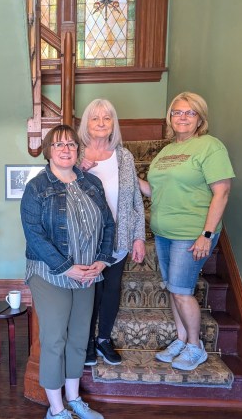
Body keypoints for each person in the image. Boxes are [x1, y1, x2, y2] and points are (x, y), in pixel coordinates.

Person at [21, 125, 115, 419]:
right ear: (48, 150)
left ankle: (74, 399)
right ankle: (57, 409)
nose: (66, 149)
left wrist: (102, 260)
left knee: (78, 337)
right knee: (55, 340)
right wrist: (66, 267)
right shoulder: (36, 188)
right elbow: (34, 235)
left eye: (72, 145)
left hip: (87, 273)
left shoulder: (91, 183)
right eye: (59, 144)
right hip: (50, 274)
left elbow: (109, 225)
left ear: (78, 150)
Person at [138, 91, 235, 371]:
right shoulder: (167, 151)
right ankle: (180, 339)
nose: (182, 117)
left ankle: (195, 346)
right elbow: (154, 190)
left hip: (191, 232)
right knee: (172, 288)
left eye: (189, 113)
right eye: (177, 112)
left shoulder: (209, 146)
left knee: (181, 290)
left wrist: (206, 234)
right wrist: (127, 176)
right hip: (164, 231)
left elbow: (222, 191)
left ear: (199, 118)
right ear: (170, 117)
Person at [77, 99, 146, 366]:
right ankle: (85, 344)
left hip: (119, 236)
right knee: (91, 290)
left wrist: (138, 236)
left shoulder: (124, 156)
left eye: (107, 118)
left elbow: (134, 200)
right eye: (95, 118)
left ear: (113, 124)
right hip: (86, 241)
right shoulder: (76, 154)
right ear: (87, 123)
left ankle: (103, 339)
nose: (102, 123)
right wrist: (77, 172)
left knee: (111, 290)